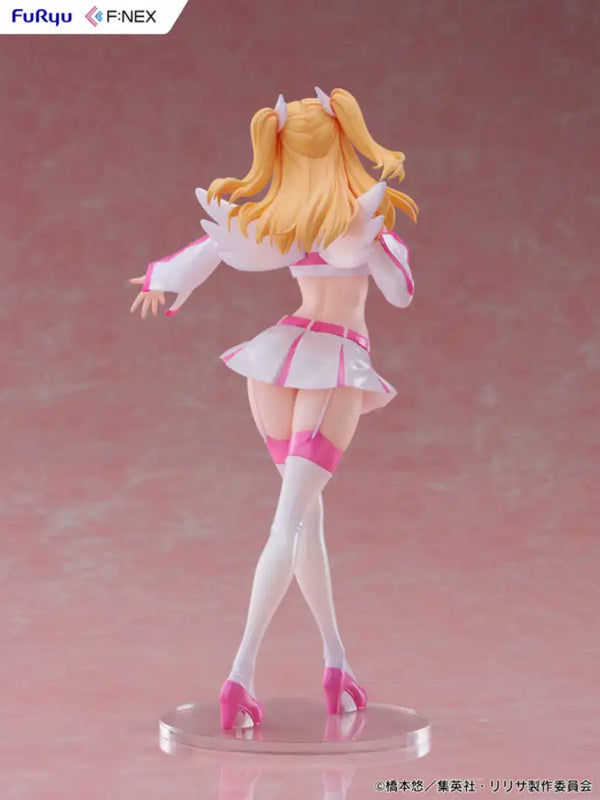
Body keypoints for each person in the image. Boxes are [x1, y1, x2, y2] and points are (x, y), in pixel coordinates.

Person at [129, 87, 418, 730]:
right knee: (289, 521)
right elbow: (400, 294)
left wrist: (159, 279)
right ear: (345, 145)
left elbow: (215, 248)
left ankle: (336, 662)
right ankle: (240, 673)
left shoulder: (291, 223)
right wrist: (373, 238)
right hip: (331, 362)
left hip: (277, 362)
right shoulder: (357, 223)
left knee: (305, 520)